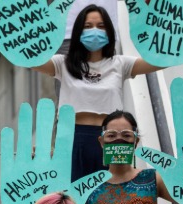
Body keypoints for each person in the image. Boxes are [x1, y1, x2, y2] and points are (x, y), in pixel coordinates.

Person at [33, 5, 162, 181]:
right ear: (78, 31)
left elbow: (160, 62)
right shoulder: (62, 63)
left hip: (113, 140)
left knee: (113, 199)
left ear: (109, 31)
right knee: (75, 201)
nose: (94, 31)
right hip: (72, 139)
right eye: (87, 26)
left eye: (101, 26)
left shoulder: (120, 64)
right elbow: (28, 60)